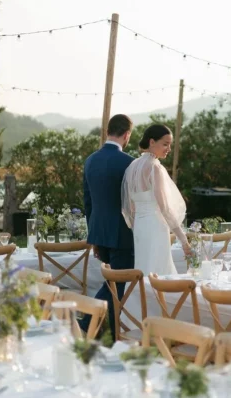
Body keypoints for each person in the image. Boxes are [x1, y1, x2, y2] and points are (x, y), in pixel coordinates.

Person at [80, 114, 134, 337]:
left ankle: (99, 327)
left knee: (113, 283)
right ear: (127, 135)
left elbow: (87, 201)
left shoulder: (90, 160)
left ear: (108, 131)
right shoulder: (129, 163)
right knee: (118, 285)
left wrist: (93, 236)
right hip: (122, 233)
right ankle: (88, 325)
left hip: (100, 231)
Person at [122, 124, 191, 276]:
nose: (169, 149)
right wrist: (183, 239)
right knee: (159, 270)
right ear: (152, 142)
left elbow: (130, 208)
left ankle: (144, 297)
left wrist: (137, 227)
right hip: (155, 226)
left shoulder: (131, 167)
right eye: (165, 144)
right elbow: (165, 208)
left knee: (144, 268)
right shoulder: (155, 168)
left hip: (140, 227)